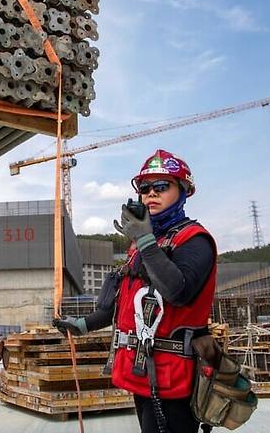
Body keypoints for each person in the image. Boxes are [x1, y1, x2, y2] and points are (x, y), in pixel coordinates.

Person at [54, 150, 218, 433]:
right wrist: (81, 325)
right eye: (145, 188)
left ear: (183, 191)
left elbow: (177, 291)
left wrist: (144, 239)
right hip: (143, 369)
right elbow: (121, 305)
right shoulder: (143, 246)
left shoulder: (194, 240)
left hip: (174, 374)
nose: (150, 194)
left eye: (161, 186)